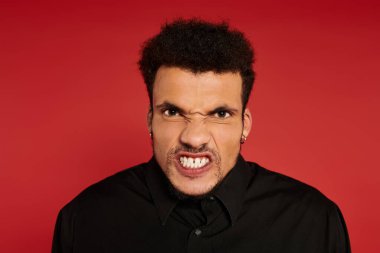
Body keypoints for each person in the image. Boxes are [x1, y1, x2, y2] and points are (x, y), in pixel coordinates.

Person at [52, 19, 351, 253]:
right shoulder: (84, 221)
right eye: (173, 112)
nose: (194, 139)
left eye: (219, 114)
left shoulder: (315, 222)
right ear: (150, 120)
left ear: (245, 125)